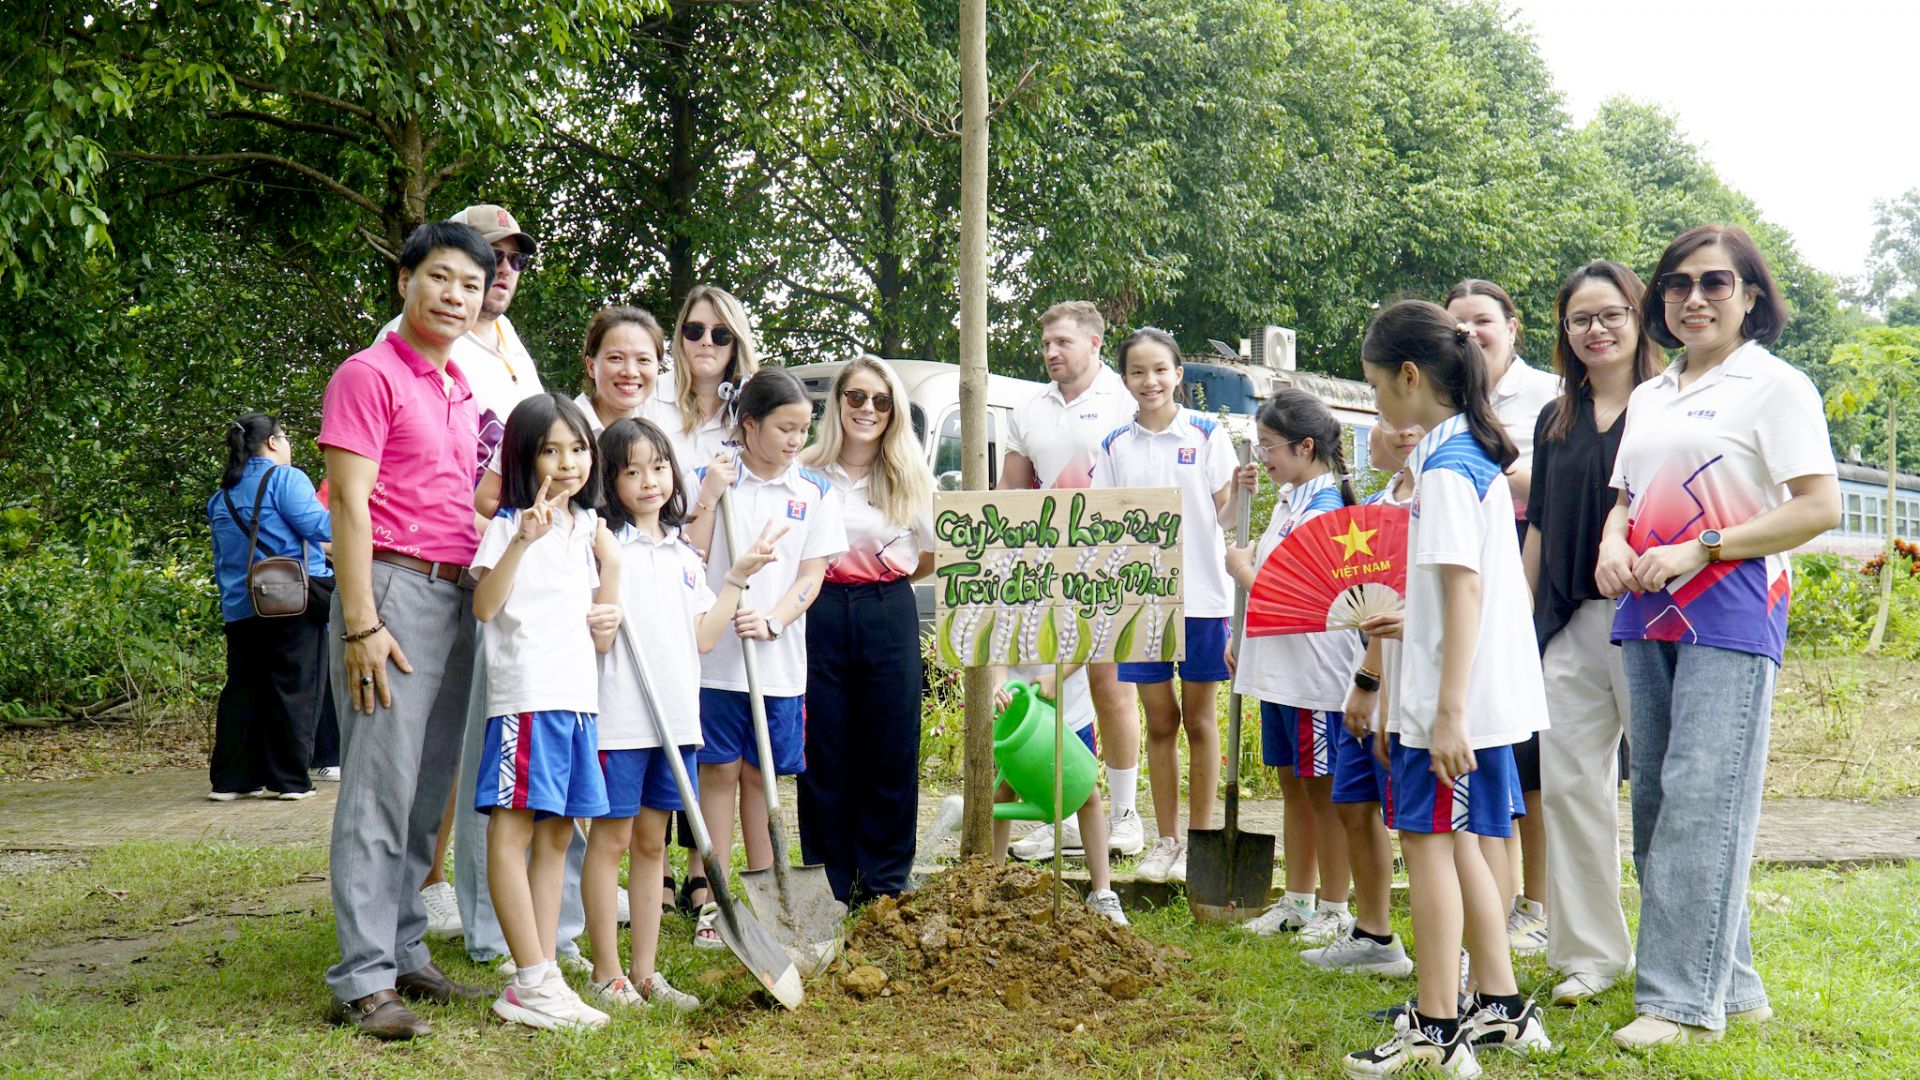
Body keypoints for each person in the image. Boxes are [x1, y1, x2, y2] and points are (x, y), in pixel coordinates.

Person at [1596, 226, 1840, 1049]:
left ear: (1751, 298)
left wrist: (1702, 548)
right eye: (1677, 284)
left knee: (1705, 797)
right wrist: (1609, 546)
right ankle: (1733, 988)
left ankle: (1676, 1003)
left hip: (1731, 610)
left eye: (1714, 283)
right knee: (1660, 800)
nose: (1693, 298)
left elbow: (1818, 507)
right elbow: (1626, 499)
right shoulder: (1651, 394)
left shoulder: (1775, 386)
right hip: (1644, 608)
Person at [1345, 300, 1551, 1077]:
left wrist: (1447, 714)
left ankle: (1434, 1023)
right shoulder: (1469, 453)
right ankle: (1496, 1005)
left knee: (1428, 848)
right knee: (1460, 841)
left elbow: (1463, 591)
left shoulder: (1443, 466)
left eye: (1375, 387)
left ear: (1407, 375)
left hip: (1450, 702)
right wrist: (1409, 626)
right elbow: (1469, 593)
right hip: (1469, 691)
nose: (1376, 405)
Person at [320, 221, 496, 1040]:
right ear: (405, 281)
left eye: (469, 284)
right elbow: (348, 505)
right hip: (391, 591)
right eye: (440, 278)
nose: (454, 295)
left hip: (456, 596)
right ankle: (361, 978)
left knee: (427, 791)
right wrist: (361, 622)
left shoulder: (461, 388)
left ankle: (402, 951)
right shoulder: (367, 374)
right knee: (378, 790)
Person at [583, 418, 782, 1011]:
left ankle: (645, 972)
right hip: (620, 719)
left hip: (676, 723)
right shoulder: (602, 547)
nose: (649, 481)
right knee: (612, 840)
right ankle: (605, 971)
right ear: (610, 481)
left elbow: (702, 637)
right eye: (631, 470)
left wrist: (735, 581)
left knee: (652, 843)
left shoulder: (683, 554)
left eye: (659, 467)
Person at [393, 205, 548, 946]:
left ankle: (477, 887)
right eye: (492, 256)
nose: (504, 272)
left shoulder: (508, 341)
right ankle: (427, 886)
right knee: (433, 737)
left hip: (504, 554)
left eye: (514, 259)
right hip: (438, 560)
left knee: (488, 723)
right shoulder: (414, 342)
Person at [1525, 261, 1662, 1007]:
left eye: (1610, 315)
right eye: (1580, 319)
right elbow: (1540, 526)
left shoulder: (1669, 403)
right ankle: (1589, 953)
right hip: (1570, 623)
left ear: (1638, 317)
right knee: (1571, 787)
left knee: (1667, 792)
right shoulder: (1558, 419)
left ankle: (1676, 952)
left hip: (1654, 618)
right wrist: (1519, 627)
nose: (1596, 330)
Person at [469, 393, 622, 1031]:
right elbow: (483, 607)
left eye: (579, 448)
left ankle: (545, 970)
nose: (567, 463)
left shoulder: (589, 530)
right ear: (523, 460)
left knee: (559, 833)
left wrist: (611, 577)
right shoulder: (509, 524)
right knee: (513, 831)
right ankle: (528, 979)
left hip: (577, 701)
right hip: (526, 698)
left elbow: (603, 634)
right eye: (550, 451)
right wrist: (521, 542)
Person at [683, 369, 847, 948]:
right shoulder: (714, 479)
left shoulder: (814, 492)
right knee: (720, 773)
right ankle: (715, 898)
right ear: (749, 425)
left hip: (776, 666)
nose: (796, 439)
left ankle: (769, 899)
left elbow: (811, 576)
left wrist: (774, 618)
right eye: (785, 427)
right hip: (715, 661)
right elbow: (691, 558)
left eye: (804, 428)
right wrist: (708, 496)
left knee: (763, 776)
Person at [1000, 301, 1146, 860]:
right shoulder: (1028, 408)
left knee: (1111, 682)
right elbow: (1012, 495)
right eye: (1046, 344)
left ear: (1093, 343)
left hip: (1114, 559)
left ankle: (1126, 815)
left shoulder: (1125, 399)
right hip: (1046, 566)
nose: (1050, 352)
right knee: (1051, 686)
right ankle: (1055, 809)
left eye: (1062, 342)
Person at [1090, 329, 1234, 884]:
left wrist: (1239, 493)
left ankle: (1200, 841)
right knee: (1159, 720)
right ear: (1124, 380)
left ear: (1178, 374)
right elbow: (1103, 521)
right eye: (1136, 372)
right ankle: (1165, 838)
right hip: (1140, 605)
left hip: (1202, 597)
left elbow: (1223, 518)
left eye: (1159, 370)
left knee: (1198, 720)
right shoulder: (1113, 445)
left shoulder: (1207, 433)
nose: (1149, 382)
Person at [1444, 278, 1559, 955]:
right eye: (1456, 327)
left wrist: (1480, 458)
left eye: (1482, 322)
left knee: (1530, 748)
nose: (1471, 336)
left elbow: (1554, 480)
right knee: (1489, 746)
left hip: (1530, 559)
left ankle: (1536, 904)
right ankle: (1494, 896)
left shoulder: (1547, 396)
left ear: (1512, 327)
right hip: (1467, 558)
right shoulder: (1446, 394)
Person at [797, 357, 936, 905]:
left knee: (890, 744)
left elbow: (928, 555)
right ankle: (832, 880)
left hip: (887, 607)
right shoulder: (806, 469)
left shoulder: (910, 474)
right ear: (837, 403)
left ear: (894, 410)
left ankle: (884, 881)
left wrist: (881, 580)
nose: (868, 410)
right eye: (856, 397)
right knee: (823, 745)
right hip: (819, 608)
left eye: (881, 401)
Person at [1226, 390, 1363, 943]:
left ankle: (1335, 905)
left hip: (1315, 675)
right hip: (1277, 667)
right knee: (1291, 784)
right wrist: (1243, 635)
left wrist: (1241, 572)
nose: (1263, 458)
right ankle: (1298, 899)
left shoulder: (1328, 509)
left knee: (1322, 789)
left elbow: (1305, 597)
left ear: (1306, 446)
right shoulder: (1290, 499)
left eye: (1270, 447)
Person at [1304, 420, 1420, 979]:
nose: (1399, 431)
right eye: (1387, 422)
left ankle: (1458, 953)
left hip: (1406, 682)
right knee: (1353, 801)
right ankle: (1375, 936)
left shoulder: (1438, 499)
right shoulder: (1373, 506)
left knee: (1422, 826)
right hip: (1364, 675)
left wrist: (1372, 681)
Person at [664, 284, 763, 916]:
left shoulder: (747, 416)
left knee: (714, 734)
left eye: (720, 335)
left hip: (729, 585)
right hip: (670, 577)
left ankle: (704, 868)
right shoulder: (656, 408)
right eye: (695, 331)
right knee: (668, 720)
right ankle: (659, 862)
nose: (706, 344)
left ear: (737, 345)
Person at [206, 412, 333, 801]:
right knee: (294, 685)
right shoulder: (285, 479)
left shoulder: (221, 495)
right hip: (289, 600)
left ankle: (233, 780)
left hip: (241, 605)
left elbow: (223, 557)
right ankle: (289, 780)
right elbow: (322, 528)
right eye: (287, 437)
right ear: (274, 442)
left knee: (244, 688)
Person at [991, 667, 1130, 926]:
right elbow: (996, 641)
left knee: (1087, 793)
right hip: (1018, 708)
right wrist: (999, 685)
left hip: (1070, 705)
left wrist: (1058, 676)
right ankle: (989, 880)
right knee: (1004, 791)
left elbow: (1087, 638)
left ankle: (1103, 892)